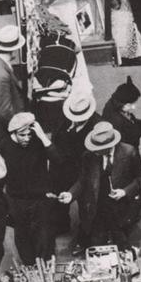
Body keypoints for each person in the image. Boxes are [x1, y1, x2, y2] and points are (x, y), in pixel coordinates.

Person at [0, 112, 71, 264]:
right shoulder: (4, 147)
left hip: (42, 197)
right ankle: (30, 267)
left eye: (29, 134)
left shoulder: (37, 140)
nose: (26, 139)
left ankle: (47, 265)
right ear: (13, 133)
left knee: (45, 235)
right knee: (23, 236)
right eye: (22, 135)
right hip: (18, 199)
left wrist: (43, 137)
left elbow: (58, 160)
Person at [70, 120, 141, 250]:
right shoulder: (88, 156)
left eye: (98, 150)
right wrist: (70, 194)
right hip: (98, 204)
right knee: (98, 245)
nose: (95, 152)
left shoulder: (129, 152)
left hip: (122, 206)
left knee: (123, 244)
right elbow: (82, 181)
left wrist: (125, 192)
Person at [50, 94, 100, 244]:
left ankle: (84, 235)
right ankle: (62, 225)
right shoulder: (66, 117)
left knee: (85, 205)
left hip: (82, 171)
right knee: (61, 200)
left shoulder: (96, 128)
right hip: (62, 169)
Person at [101, 76, 141, 149]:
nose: (134, 107)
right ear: (125, 105)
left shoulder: (113, 102)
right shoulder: (117, 121)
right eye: (133, 104)